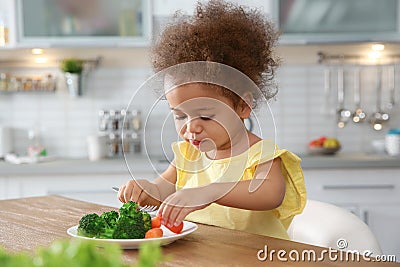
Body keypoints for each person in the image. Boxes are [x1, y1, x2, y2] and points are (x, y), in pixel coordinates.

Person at [118, 0, 306, 240]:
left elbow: (270, 194)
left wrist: (210, 192)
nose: (190, 127)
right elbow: (163, 190)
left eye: (205, 115)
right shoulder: (189, 155)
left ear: (242, 105)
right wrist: (146, 190)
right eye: (179, 115)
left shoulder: (262, 154)